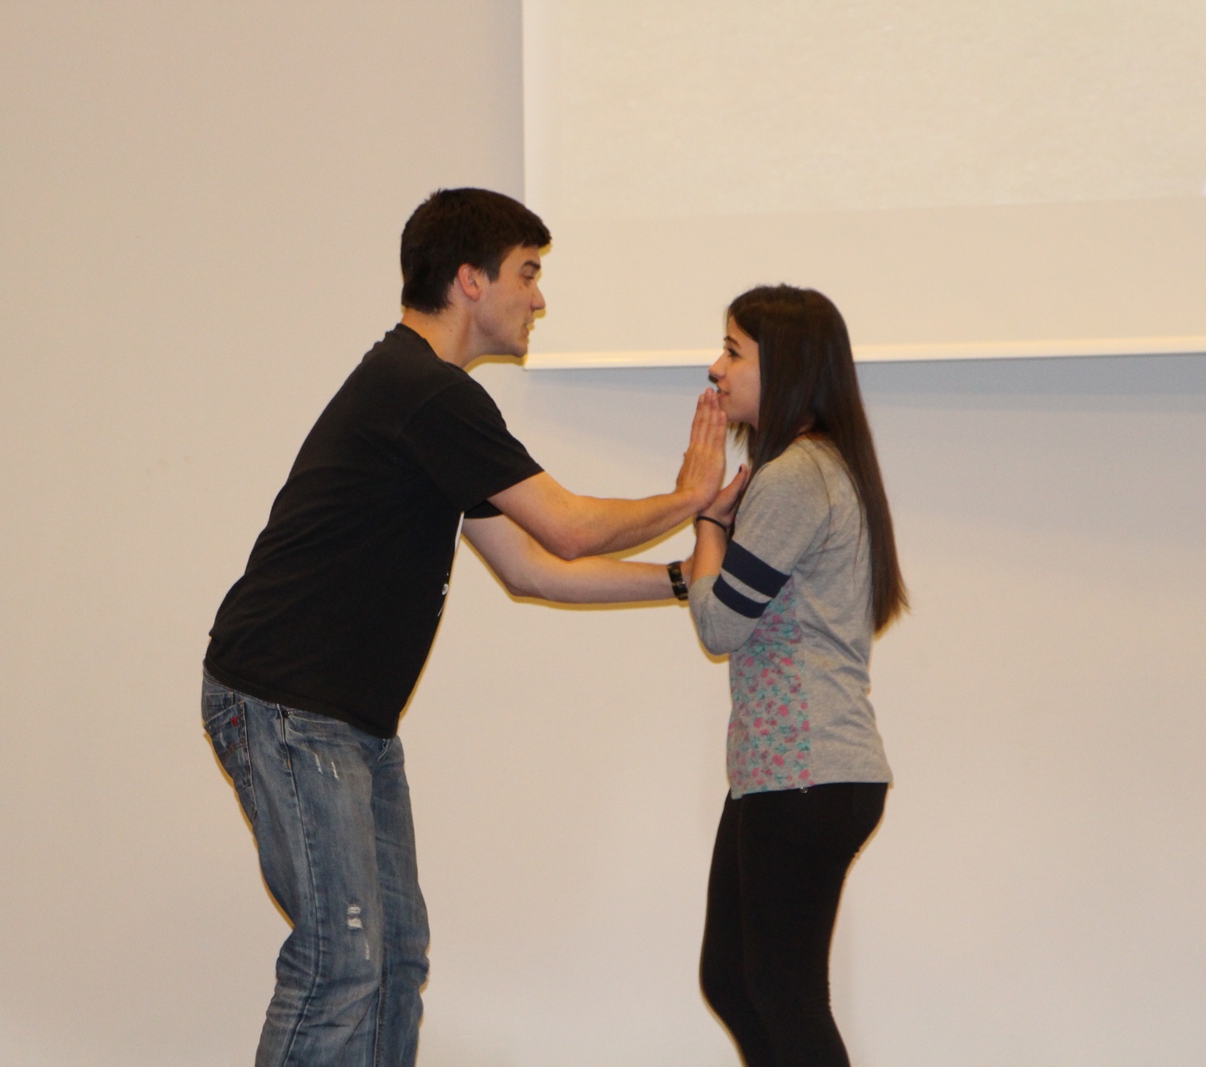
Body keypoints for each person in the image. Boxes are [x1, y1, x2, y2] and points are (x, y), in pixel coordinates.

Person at [201, 186, 731, 1067]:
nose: (539, 297)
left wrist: (683, 579)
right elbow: (568, 526)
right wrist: (689, 496)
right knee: (341, 962)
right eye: (528, 272)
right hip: (287, 705)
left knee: (394, 960)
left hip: (345, 719)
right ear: (469, 280)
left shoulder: (426, 399)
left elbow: (533, 567)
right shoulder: (423, 390)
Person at [469, 284, 905, 1067]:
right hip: (783, 772)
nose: (715, 369)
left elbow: (718, 623)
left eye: (734, 352)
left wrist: (706, 519)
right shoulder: (802, 470)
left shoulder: (796, 475)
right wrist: (712, 523)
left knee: (781, 991)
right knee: (734, 979)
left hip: (807, 773)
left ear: (788, 367)